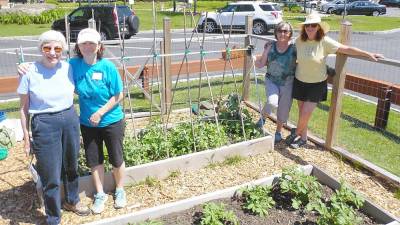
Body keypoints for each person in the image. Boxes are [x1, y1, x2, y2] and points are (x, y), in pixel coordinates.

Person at [17, 30, 90, 225]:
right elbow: (23, 108)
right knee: (50, 173)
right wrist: (26, 136)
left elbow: (90, 62)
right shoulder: (29, 71)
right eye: (46, 47)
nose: (52, 52)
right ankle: (53, 217)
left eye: (57, 48)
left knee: (71, 165)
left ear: (63, 50)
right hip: (44, 123)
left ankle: (72, 201)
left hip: (69, 117)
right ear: (40, 49)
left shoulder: (68, 67)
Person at [286, 13, 383, 149]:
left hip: (316, 84)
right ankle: (303, 138)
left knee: (306, 113)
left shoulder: (325, 41)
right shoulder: (299, 41)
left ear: (318, 27)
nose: (310, 28)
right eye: (307, 25)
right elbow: (287, 48)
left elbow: (346, 49)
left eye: (313, 25)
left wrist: (368, 54)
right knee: (303, 113)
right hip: (300, 81)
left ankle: (295, 133)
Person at [70, 28, 127, 214]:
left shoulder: (107, 67)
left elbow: (119, 95)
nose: (87, 46)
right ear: (78, 46)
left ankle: (119, 190)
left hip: (111, 120)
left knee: (116, 158)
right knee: (94, 160)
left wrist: (101, 112)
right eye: (84, 43)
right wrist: (28, 67)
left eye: (91, 43)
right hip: (88, 124)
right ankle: (100, 194)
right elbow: (52, 67)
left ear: (99, 46)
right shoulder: (73, 65)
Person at [255, 22, 297, 143]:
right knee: (272, 102)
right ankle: (263, 118)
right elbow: (262, 63)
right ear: (276, 32)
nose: (282, 33)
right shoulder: (270, 46)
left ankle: (278, 131)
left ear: (290, 34)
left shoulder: (294, 47)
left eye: (285, 31)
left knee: (284, 109)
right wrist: (252, 60)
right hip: (271, 80)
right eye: (280, 31)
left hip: (288, 83)